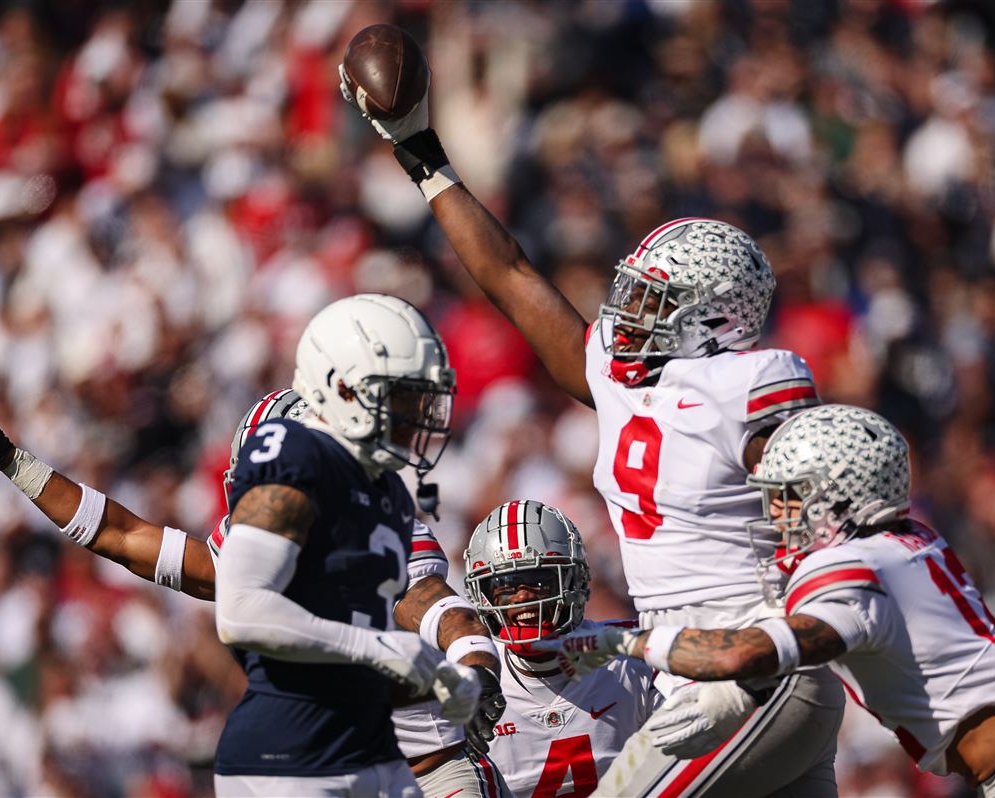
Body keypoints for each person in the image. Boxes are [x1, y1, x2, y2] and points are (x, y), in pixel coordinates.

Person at [341, 53, 842, 795]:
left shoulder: (751, 382)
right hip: (695, 674)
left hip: (751, 669)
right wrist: (420, 150)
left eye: (653, 300)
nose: (628, 311)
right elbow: (511, 276)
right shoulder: (619, 375)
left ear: (711, 321)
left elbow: (833, 510)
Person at [0, 294, 507, 797]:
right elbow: (122, 534)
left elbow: (438, 607)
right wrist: (14, 462)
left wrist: (476, 670)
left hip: (427, 773)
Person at [548, 404, 995, 797]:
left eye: (789, 497)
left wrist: (622, 640)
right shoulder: (906, 540)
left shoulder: (850, 563)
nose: (776, 515)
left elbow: (742, 654)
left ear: (840, 494)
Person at [463, 500, 663, 798]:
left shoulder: (633, 653)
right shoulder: (470, 680)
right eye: (505, 585)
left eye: (539, 581)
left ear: (574, 582)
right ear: (483, 596)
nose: (522, 598)